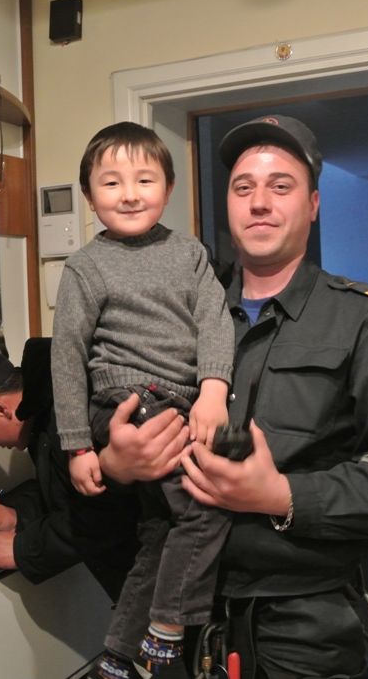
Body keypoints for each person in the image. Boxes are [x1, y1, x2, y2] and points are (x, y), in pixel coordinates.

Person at [96, 115, 368, 679]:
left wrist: (281, 495)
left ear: (313, 205)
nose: (259, 202)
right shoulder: (178, 310)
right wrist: (114, 465)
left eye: (280, 186)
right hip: (172, 614)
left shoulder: (367, 320)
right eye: (243, 187)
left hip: (302, 624)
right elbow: (104, 411)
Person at [51, 122, 235, 679]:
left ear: (168, 188)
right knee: (205, 505)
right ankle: (169, 627)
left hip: (181, 402)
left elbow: (214, 320)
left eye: (145, 180)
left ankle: (118, 653)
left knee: (162, 530)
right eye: (111, 182)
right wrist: (77, 446)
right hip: (125, 397)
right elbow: (67, 356)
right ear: (90, 196)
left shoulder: (190, 252)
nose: (129, 194)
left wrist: (213, 389)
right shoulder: (87, 266)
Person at [0, 340, 140, 602]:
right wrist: (15, 513)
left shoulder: (71, 415)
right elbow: (69, 493)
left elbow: (110, 513)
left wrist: (22, 549)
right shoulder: (43, 419)